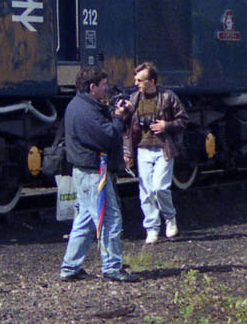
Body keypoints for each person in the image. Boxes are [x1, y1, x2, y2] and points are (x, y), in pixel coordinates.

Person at [60, 66, 137, 282]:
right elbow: (108, 136)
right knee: (110, 218)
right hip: (94, 174)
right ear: (92, 87)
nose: (107, 89)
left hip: (84, 172)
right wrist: (119, 117)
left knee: (84, 221)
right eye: (103, 85)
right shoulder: (86, 112)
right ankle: (112, 267)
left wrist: (116, 114)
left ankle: (70, 267)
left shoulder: (80, 105)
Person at [125, 61, 189, 245]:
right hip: (143, 149)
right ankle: (152, 228)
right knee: (145, 192)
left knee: (160, 187)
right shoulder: (134, 99)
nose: (136, 83)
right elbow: (127, 129)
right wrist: (127, 151)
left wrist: (166, 125)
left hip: (163, 148)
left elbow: (183, 120)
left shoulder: (168, 97)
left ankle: (169, 217)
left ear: (152, 81)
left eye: (140, 80)